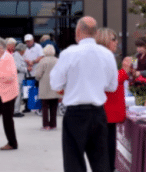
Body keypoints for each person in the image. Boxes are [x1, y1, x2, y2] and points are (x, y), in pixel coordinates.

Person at [50, 16, 118, 172]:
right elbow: (112, 86)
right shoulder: (107, 55)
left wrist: (68, 86)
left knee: (73, 161)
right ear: (95, 33)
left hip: (75, 113)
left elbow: (55, 83)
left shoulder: (69, 53)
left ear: (78, 31)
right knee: (101, 161)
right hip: (98, 113)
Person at [95, 28, 128, 172]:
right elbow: (109, 83)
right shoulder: (103, 57)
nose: (116, 43)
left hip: (108, 109)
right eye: (114, 39)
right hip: (107, 109)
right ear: (106, 41)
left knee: (108, 145)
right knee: (106, 146)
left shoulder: (102, 56)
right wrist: (124, 71)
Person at [34, 44, 61, 130]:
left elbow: (38, 75)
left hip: (45, 86)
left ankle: (46, 125)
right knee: (54, 106)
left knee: (45, 106)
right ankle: (53, 124)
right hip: (55, 86)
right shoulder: (58, 60)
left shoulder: (43, 61)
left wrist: (37, 79)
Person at [23, 34, 44, 113]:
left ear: (32, 40)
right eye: (26, 41)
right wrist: (28, 62)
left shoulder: (38, 46)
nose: (28, 43)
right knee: (27, 90)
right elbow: (22, 57)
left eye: (29, 41)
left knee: (37, 89)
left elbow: (41, 56)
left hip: (36, 72)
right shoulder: (24, 48)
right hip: (28, 72)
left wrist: (33, 61)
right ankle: (27, 106)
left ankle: (38, 106)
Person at [13, 43, 27, 117]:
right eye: (24, 50)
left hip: (20, 78)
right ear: (21, 50)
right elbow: (18, 66)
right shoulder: (16, 55)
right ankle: (15, 111)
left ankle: (16, 110)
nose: (24, 51)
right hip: (17, 78)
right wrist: (26, 69)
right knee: (17, 96)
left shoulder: (18, 55)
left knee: (18, 95)